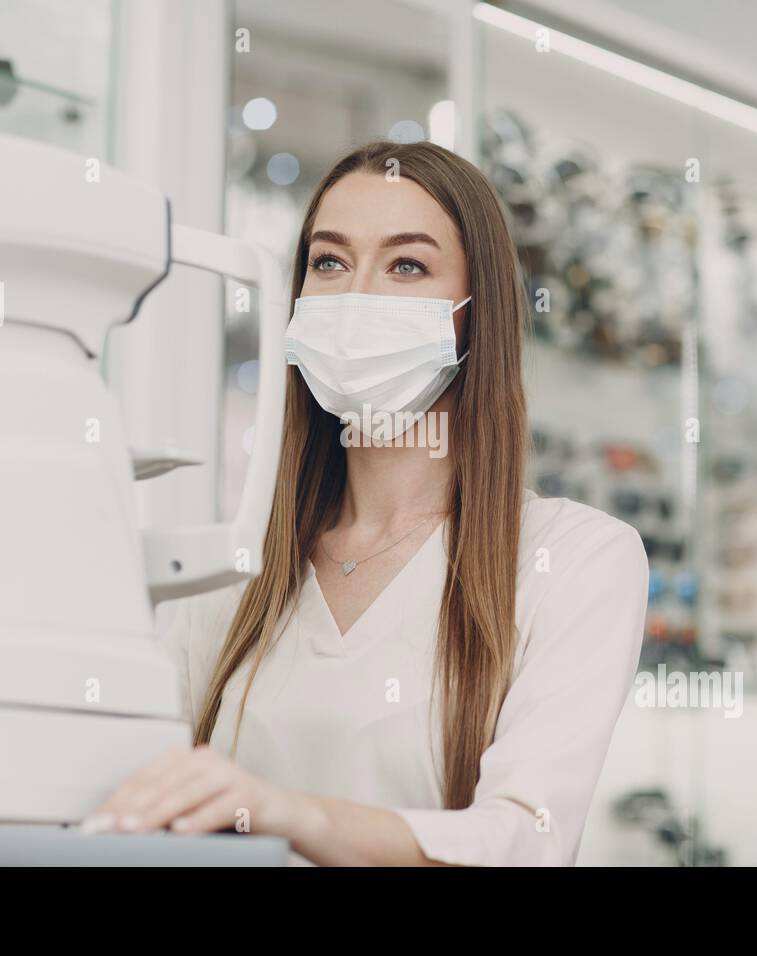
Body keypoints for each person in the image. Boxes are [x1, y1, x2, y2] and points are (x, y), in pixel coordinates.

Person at [83, 140, 649, 866]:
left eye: (407, 265)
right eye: (330, 262)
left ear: (475, 317)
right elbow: (124, 784)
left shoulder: (573, 558)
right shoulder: (236, 574)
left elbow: (522, 841)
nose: (356, 296)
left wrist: (288, 814)